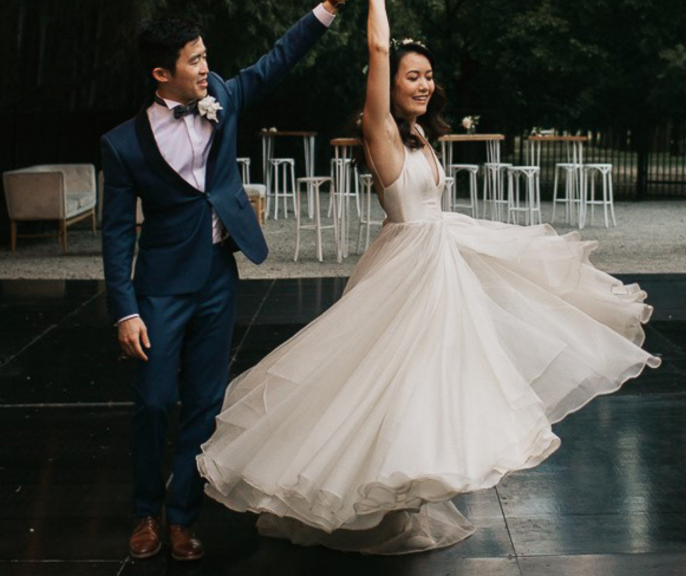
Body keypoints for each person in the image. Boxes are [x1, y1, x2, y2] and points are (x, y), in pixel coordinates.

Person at [197, 0, 662, 555]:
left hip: (440, 256)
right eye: (410, 76)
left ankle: (398, 497)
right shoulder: (381, 131)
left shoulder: (418, 134)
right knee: (388, 382)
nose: (422, 84)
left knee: (428, 384)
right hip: (408, 266)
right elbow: (375, 48)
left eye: (427, 76)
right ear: (387, 84)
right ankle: (369, 495)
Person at [100, 1, 346, 561]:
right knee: (156, 402)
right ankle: (145, 511)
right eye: (193, 60)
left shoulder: (223, 99)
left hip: (217, 275)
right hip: (159, 287)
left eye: (205, 56)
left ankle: (182, 517)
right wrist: (126, 310)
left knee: (206, 404)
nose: (205, 67)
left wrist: (327, 8)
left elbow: (278, 59)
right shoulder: (122, 144)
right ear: (162, 73)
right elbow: (116, 235)